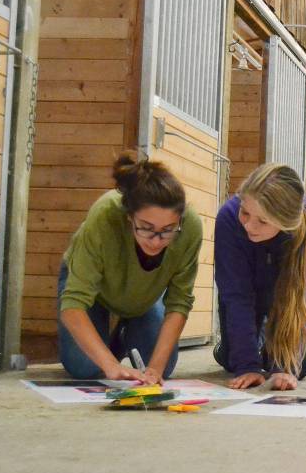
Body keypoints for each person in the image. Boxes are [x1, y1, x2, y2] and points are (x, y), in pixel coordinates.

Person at [57, 152, 203, 383]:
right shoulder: (105, 214)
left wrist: (155, 368)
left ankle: (126, 333)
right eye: (146, 228)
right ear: (129, 218)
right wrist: (110, 365)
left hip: (144, 293)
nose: (156, 240)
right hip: (93, 290)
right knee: (83, 368)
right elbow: (73, 303)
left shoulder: (191, 227)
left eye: (168, 230)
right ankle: (110, 342)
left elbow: (179, 302)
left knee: (163, 368)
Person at [213, 163, 306, 391]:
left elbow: (304, 297)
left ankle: (269, 345)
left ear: (285, 223)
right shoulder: (228, 217)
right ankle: (244, 346)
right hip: (246, 292)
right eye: (245, 212)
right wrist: (247, 365)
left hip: (285, 298)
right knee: (232, 359)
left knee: (300, 366)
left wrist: (283, 368)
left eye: (263, 221)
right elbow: (236, 295)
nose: (248, 225)